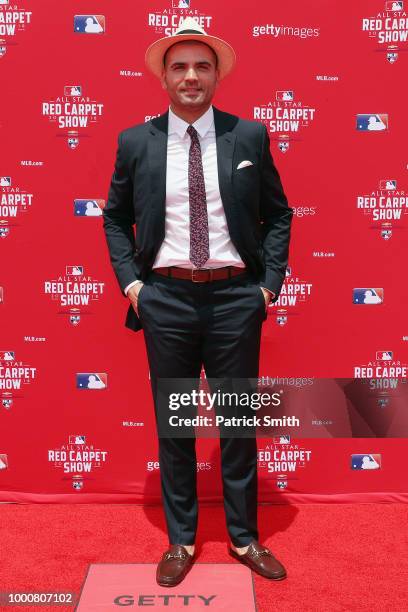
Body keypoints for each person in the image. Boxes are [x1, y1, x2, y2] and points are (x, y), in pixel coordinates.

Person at [103, 17, 293, 587]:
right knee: (176, 425)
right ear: (164, 75)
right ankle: (182, 539)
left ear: (216, 76)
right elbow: (114, 218)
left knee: (237, 423)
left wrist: (267, 286)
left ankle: (243, 538)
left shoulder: (249, 137)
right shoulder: (136, 141)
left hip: (237, 298)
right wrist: (133, 286)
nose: (191, 76)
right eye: (180, 66)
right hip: (165, 300)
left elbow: (279, 213)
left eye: (201, 66)